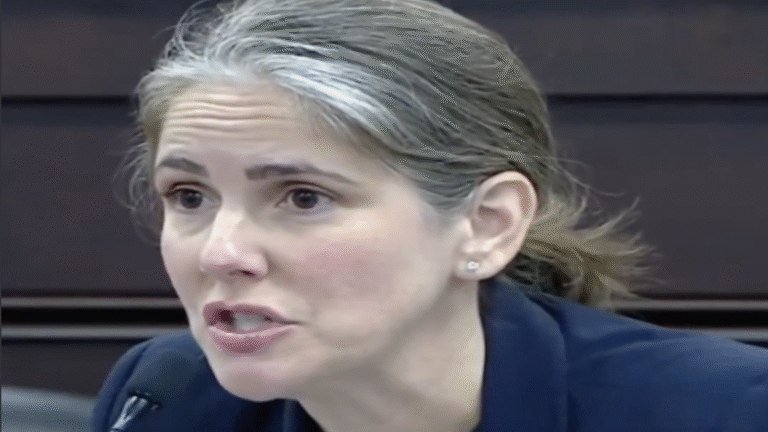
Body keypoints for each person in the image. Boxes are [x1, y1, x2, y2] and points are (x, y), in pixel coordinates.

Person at [93, 0, 768, 431]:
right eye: (190, 196)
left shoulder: (725, 411)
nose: (221, 253)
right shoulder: (165, 397)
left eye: (303, 197)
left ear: (487, 225)